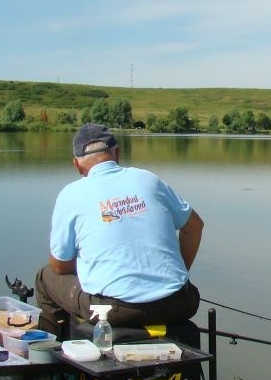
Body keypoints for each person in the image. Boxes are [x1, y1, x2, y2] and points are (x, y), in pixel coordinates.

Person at [35, 123, 204, 341]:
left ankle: (51, 361)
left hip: (114, 312)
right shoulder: (148, 179)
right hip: (179, 303)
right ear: (117, 154)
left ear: (77, 164)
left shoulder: (71, 194)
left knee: (45, 277)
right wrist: (176, 275)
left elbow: (59, 266)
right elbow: (194, 226)